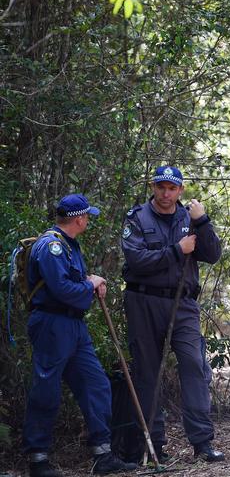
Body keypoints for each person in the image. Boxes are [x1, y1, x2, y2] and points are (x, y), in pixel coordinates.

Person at [23, 194, 136, 477]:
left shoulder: (70, 246)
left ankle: (103, 455)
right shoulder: (52, 247)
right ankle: (38, 459)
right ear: (78, 218)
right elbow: (62, 289)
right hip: (51, 324)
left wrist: (89, 282)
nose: (88, 221)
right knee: (46, 389)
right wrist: (90, 286)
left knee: (95, 383)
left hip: (74, 326)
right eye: (87, 217)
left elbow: (70, 284)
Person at [121, 166, 224, 463]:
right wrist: (177, 250)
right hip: (144, 301)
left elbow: (213, 255)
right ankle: (153, 445)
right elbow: (137, 260)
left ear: (180, 190)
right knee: (147, 372)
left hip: (183, 305)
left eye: (172, 188)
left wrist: (202, 222)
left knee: (194, 365)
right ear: (154, 187)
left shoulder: (189, 217)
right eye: (161, 187)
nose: (166, 193)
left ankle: (202, 442)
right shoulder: (137, 218)